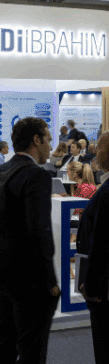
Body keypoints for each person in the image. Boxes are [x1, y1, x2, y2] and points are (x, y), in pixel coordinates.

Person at [0, 117, 60, 364]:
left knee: (2, 344)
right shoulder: (37, 176)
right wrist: (50, 281)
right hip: (29, 280)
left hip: (0, 274)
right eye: (48, 139)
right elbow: (40, 230)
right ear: (36, 140)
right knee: (32, 351)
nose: (51, 146)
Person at [76, 131, 109, 363]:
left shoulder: (106, 193)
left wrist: (93, 287)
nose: (95, 151)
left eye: (101, 147)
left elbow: (102, 242)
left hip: (104, 289)